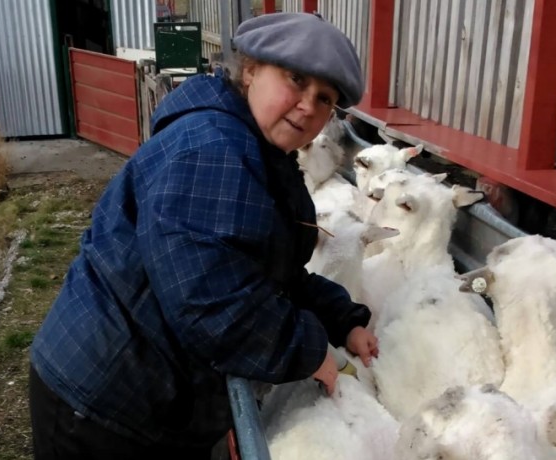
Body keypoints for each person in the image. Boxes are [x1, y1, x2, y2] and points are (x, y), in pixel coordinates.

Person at [29, 12, 377, 460]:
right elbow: (212, 302)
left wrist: (341, 319)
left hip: (145, 394)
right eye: (296, 80)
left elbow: (263, 270)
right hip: (106, 404)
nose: (309, 106)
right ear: (250, 70)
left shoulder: (257, 149)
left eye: (324, 98)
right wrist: (310, 351)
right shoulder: (211, 150)